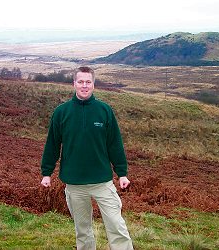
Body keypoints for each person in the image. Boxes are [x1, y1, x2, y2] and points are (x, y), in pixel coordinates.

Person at [40, 66, 134, 250]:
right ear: (74, 84)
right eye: (80, 82)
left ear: (93, 84)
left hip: (102, 182)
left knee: (116, 226)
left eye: (88, 82)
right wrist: (46, 173)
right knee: (82, 231)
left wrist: (122, 173)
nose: (84, 86)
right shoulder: (61, 112)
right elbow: (52, 144)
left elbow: (114, 144)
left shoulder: (104, 111)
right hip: (74, 184)